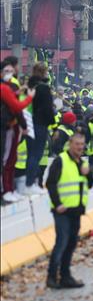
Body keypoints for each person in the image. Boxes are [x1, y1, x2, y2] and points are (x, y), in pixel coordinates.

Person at [44, 134, 93, 288]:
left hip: (76, 210)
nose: (80, 147)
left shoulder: (82, 163)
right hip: (62, 210)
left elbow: (89, 184)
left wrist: (88, 174)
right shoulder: (61, 160)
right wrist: (57, 203)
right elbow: (50, 183)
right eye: (77, 144)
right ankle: (52, 277)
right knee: (62, 242)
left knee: (71, 243)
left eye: (82, 144)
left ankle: (65, 276)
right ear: (70, 144)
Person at [1, 57, 34, 202]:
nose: (10, 72)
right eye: (6, 70)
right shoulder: (4, 87)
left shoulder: (8, 87)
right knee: (7, 160)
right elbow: (16, 106)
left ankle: (9, 189)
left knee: (10, 159)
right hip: (8, 126)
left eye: (11, 70)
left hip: (11, 125)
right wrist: (29, 98)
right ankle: (6, 190)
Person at [25, 62, 54, 195]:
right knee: (36, 154)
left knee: (30, 153)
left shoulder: (28, 86)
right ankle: (31, 183)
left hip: (27, 122)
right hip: (40, 123)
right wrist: (53, 124)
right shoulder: (43, 88)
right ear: (44, 72)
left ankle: (29, 181)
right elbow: (48, 108)